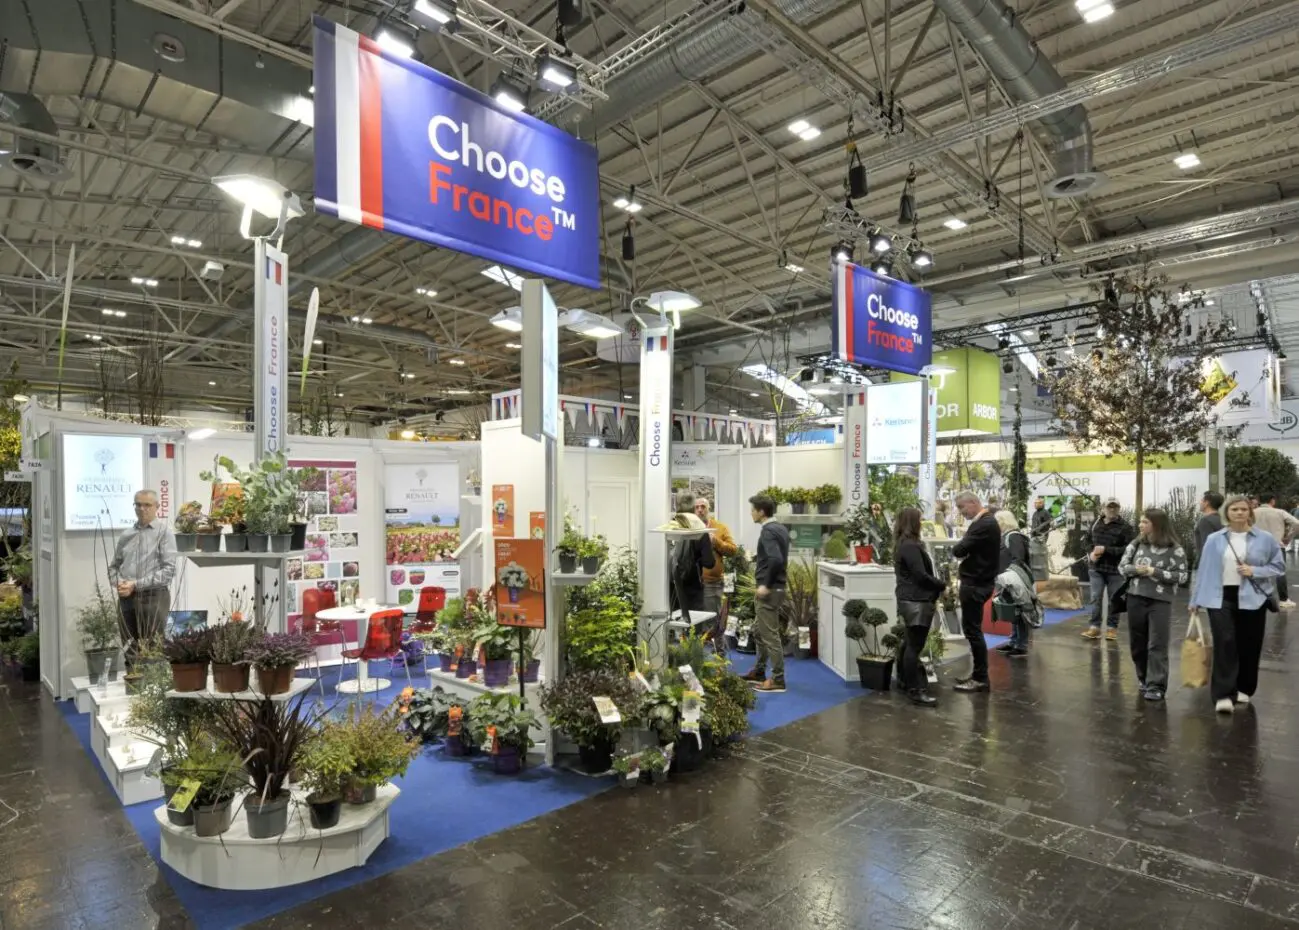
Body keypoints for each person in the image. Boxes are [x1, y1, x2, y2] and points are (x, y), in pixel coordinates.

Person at [1190, 495, 1285, 713]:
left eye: (1243, 509)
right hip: (1220, 596)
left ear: (1250, 512)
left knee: (1250, 644)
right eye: (1234, 509)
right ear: (1227, 513)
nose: (1239, 512)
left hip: (1253, 597)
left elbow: (1278, 566)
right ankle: (1223, 694)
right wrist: (1195, 599)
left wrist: (1255, 571)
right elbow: (1203, 569)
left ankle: (1244, 687)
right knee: (1225, 641)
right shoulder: (1215, 539)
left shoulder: (1265, 539)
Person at [1119, 509, 1189, 702]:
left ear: (1157, 525)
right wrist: (1137, 570)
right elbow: (1122, 567)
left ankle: (1156, 685)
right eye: (1140, 521)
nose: (1140, 525)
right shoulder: (1136, 544)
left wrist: (1154, 571)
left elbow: (1182, 576)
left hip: (1160, 601)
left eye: (1145, 522)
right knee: (1137, 643)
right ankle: (1143, 678)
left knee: (1157, 643)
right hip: (1135, 598)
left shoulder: (1175, 549)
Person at [107, 489, 178, 666]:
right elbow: (113, 567)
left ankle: (152, 683)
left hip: (153, 597)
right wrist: (119, 583)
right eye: (138, 504)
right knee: (129, 647)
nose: (142, 509)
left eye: (147, 505)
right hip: (126, 598)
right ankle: (133, 681)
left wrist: (136, 584)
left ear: (157, 507)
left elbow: (169, 571)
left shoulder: (164, 533)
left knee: (153, 650)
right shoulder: (126, 535)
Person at [893, 507, 945, 707]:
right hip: (917, 600)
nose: (922, 523)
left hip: (910, 599)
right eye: (920, 520)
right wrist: (941, 585)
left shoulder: (903, 544)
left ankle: (905, 682)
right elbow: (920, 575)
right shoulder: (910, 546)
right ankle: (915, 690)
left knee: (909, 642)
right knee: (914, 646)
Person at [950, 491, 1000, 693]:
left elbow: (959, 550)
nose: (961, 512)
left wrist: (963, 545)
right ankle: (978, 675)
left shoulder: (983, 524)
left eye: (962, 507)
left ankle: (980, 678)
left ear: (973, 502)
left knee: (973, 631)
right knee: (973, 631)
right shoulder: (986, 522)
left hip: (976, 584)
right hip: (979, 582)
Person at [742, 493, 790, 694]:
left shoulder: (768, 531)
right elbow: (776, 557)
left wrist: (765, 585)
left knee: (770, 636)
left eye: (753, 510)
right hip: (777, 588)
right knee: (758, 631)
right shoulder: (780, 528)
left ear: (761, 512)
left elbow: (776, 559)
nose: (751, 513)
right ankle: (760, 671)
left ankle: (778, 679)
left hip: (770, 591)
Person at [1082, 499, 1135, 642]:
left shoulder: (1126, 527)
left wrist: (1106, 550)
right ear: (1103, 508)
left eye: (1115, 507)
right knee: (1095, 598)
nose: (1112, 509)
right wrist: (1091, 553)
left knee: (1114, 599)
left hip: (1115, 570)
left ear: (1119, 509)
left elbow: (1128, 549)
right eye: (1109, 507)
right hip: (1096, 568)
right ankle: (1094, 627)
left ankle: (1112, 628)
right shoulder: (1095, 523)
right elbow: (1087, 540)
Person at [694, 497, 738, 654]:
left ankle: (720, 655)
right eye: (697, 507)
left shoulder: (720, 528)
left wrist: (716, 542)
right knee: (694, 621)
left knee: (715, 621)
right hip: (693, 584)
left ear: (709, 509)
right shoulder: (690, 528)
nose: (700, 510)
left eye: (703, 506)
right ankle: (696, 655)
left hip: (712, 583)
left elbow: (733, 550)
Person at [994, 509, 1033, 657]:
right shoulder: (1007, 536)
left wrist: (1009, 577)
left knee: (1019, 611)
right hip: (1009, 579)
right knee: (1013, 611)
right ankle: (1014, 641)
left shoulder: (1014, 537)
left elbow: (1018, 559)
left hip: (1014, 580)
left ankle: (1021, 645)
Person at [668, 492, 715, 616]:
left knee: (675, 620)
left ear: (676, 505)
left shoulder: (670, 526)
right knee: (694, 623)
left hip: (672, 586)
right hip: (692, 587)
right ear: (694, 507)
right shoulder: (700, 529)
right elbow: (709, 562)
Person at [1250, 494, 1297, 609]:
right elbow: (1296, 523)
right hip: (1276, 545)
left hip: (1256, 545)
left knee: (1256, 571)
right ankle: (1283, 599)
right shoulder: (1280, 512)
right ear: (1272, 501)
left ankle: (1256, 597)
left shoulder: (1252, 513)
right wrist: (1288, 537)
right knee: (1280, 572)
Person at [1195, 491, 1224, 563]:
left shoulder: (1205, 521)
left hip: (1207, 563)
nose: (1200, 503)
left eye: (1202, 500)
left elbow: (1206, 546)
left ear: (1206, 503)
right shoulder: (1222, 520)